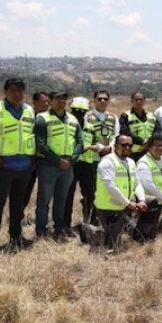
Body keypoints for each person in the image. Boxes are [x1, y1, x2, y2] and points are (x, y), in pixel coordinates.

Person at [0, 78, 35, 251]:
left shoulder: (29, 111)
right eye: (12, 90)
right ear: (6, 92)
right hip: (2, 167)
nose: (17, 94)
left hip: (23, 167)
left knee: (18, 205)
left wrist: (31, 160)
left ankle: (15, 238)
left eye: (20, 90)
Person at [34, 90, 82, 241]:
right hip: (48, 165)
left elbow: (80, 142)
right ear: (50, 100)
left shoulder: (73, 119)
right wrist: (57, 161)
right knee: (44, 201)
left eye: (64, 98)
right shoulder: (42, 119)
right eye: (58, 98)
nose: (61, 101)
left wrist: (71, 160)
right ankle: (41, 230)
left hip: (68, 166)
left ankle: (59, 227)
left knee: (61, 200)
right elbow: (40, 144)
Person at [94, 135, 147, 250]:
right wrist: (128, 203)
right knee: (111, 246)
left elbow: (137, 183)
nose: (127, 147)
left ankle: (127, 227)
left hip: (125, 206)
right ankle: (91, 231)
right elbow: (111, 187)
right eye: (123, 145)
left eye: (130, 145)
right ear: (115, 146)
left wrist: (142, 200)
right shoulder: (107, 162)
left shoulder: (131, 162)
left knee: (137, 233)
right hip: (109, 209)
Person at [75, 89, 119, 226]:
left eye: (105, 99)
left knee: (106, 188)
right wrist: (100, 147)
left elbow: (116, 135)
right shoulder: (86, 116)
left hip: (108, 159)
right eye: (99, 99)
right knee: (90, 191)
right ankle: (88, 219)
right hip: (91, 159)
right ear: (94, 100)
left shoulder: (113, 117)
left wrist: (110, 147)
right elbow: (84, 136)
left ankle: (101, 218)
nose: (102, 101)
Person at [64, 96, 90, 234]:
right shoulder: (67, 123)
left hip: (86, 164)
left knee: (89, 195)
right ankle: (65, 225)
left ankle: (87, 223)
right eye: (77, 111)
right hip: (72, 163)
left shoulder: (90, 124)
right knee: (67, 196)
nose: (79, 114)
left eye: (82, 111)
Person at [23, 90, 51, 211]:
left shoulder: (50, 117)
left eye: (47, 101)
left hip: (45, 159)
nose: (46, 104)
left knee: (44, 190)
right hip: (29, 159)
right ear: (35, 102)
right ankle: (18, 215)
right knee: (26, 188)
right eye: (43, 101)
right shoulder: (27, 116)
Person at [119, 91, 160, 161]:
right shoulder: (125, 116)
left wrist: (150, 141)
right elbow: (125, 132)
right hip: (133, 153)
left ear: (144, 101)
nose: (138, 102)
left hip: (149, 152)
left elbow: (158, 130)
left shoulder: (151, 116)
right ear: (132, 101)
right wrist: (142, 141)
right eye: (136, 100)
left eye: (141, 100)